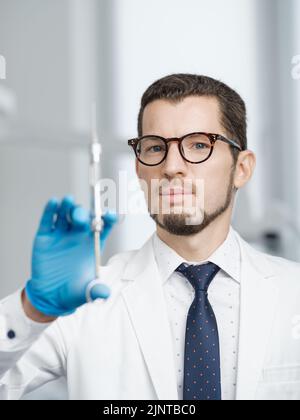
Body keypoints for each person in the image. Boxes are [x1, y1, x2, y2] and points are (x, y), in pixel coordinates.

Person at [1, 74, 300, 401]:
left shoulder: (293, 293)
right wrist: (32, 309)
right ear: (139, 169)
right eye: (156, 147)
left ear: (242, 168)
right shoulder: (85, 301)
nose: (172, 167)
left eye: (199, 144)